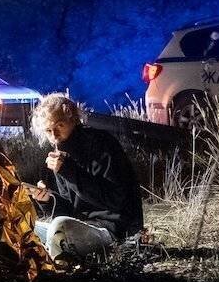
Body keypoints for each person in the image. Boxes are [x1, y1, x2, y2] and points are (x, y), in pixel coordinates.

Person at [26, 93, 143, 261]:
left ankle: (55, 272)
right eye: (48, 130)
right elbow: (70, 209)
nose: (54, 135)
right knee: (26, 227)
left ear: (73, 119)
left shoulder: (101, 143)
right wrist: (47, 200)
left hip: (112, 230)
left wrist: (69, 171)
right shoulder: (60, 155)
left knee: (60, 227)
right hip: (81, 227)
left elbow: (116, 200)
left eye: (59, 125)